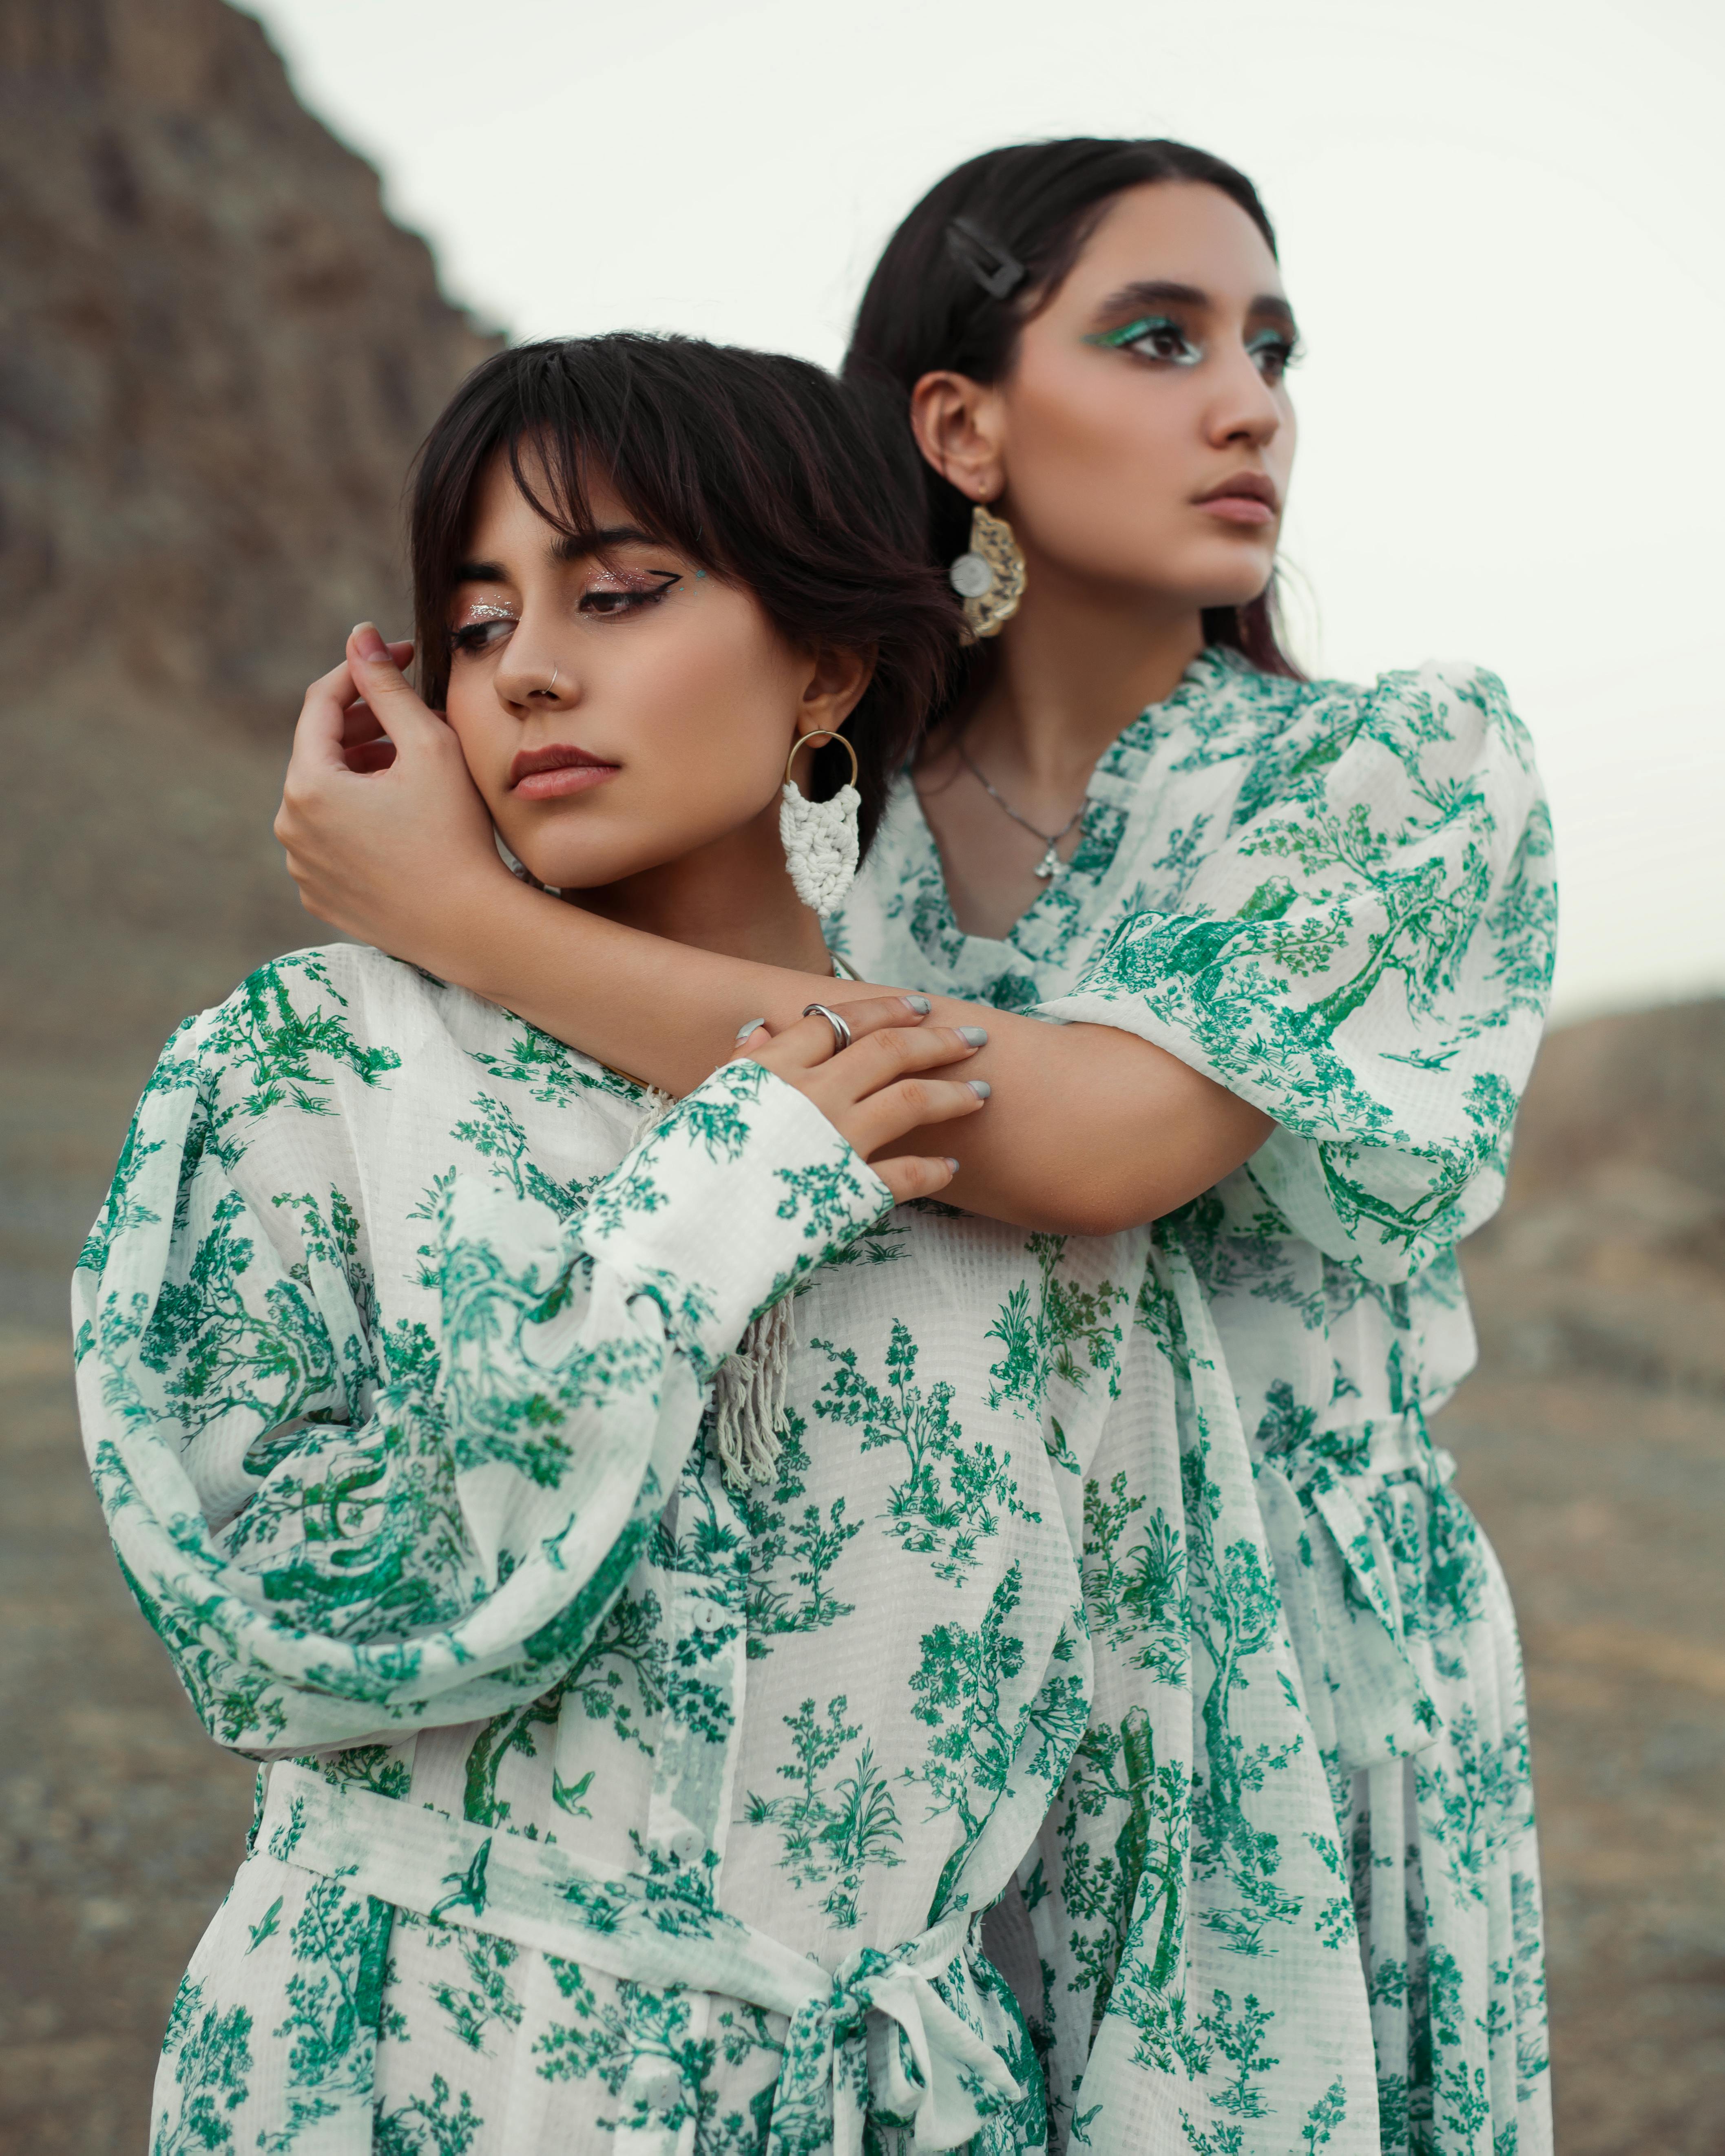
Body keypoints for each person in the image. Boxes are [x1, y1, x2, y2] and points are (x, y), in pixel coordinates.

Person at [269, 143, 1557, 2156]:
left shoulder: (1395, 771)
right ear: (957, 424)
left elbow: (1102, 1137)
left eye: (1272, 349)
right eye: (1160, 338)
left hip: (1288, 1701)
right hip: (904, 1708)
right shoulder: (814, 823)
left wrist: (455, 914)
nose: (1246, 404)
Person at [78, 333, 1209, 2155]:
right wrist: (720, 1205)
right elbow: (268, 1624)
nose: (529, 665)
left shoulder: (1001, 1159)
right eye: (474, 623)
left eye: (615, 593)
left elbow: (1161, 1844)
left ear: (824, 665)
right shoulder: (316, 1063)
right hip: (412, 2080)